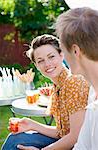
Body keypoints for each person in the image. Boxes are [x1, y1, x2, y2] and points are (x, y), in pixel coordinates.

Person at [2, 34, 89, 150]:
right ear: (36, 66)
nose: (47, 64)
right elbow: (62, 132)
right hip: (70, 141)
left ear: (61, 55)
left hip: (82, 146)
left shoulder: (73, 82)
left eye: (51, 57)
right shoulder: (58, 86)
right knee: (15, 138)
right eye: (40, 60)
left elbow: (76, 136)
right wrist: (32, 125)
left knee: (15, 142)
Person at [55, 7, 98, 150]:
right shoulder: (93, 91)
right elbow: (82, 147)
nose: (62, 56)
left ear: (75, 51)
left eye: (62, 49)